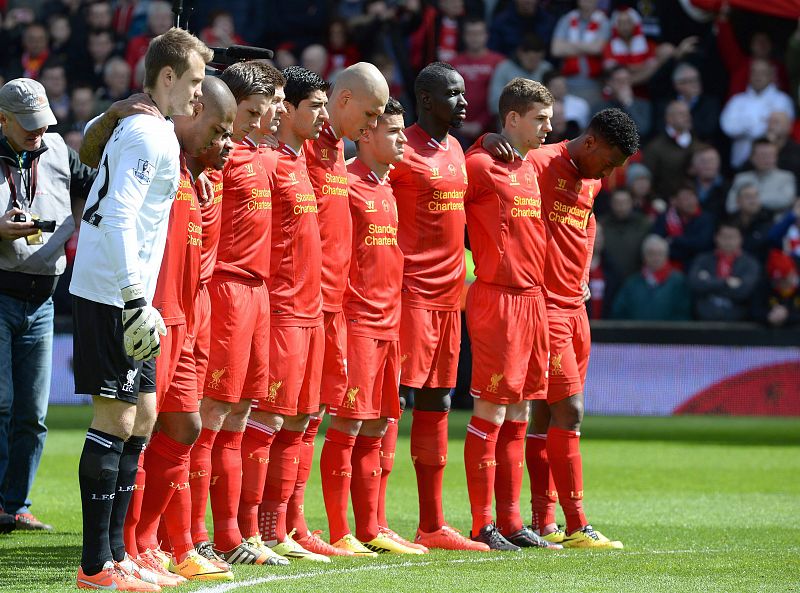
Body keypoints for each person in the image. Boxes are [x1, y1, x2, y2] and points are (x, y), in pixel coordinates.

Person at [69, 27, 210, 591]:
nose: (198, 95)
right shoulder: (151, 135)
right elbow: (121, 215)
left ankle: (120, 555)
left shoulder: (144, 127)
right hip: (111, 290)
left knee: (144, 415)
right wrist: (133, 299)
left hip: (128, 292)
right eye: (194, 82)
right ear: (167, 77)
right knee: (116, 418)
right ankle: (95, 567)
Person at [483, 107, 639, 548]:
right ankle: (577, 524)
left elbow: (587, 224)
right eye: (607, 163)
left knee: (548, 413)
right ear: (590, 143)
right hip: (544, 309)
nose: (607, 174)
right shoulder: (538, 162)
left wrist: (584, 272)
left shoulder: (591, 180)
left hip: (575, 310)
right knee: (571, 409)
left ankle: (544, 521)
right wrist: (484, 142)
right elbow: (486, 171)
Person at [188, 61, 287, 568]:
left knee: (243, 414)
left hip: (259, 293)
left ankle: (234, 534)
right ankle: (196, 534)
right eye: (255, 108)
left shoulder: (265, 155)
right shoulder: (219, 154)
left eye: (267, 107)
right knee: (211, 415)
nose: (264, 116)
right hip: (225, 289)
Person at [388, 62, 487, 552]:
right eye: (453, 94)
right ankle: (371, 525)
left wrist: (490, 144)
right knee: (392, 403)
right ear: (426, 99)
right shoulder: (398, 150)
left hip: (451, 298)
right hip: (408, 294)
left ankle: (432, 524)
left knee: (439, 402)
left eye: (464, 93)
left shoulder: (456, 150)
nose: (463, 101)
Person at [462, 78, 561, 551]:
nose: (549, 127)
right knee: (492, 409)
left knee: (521, 410)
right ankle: (482, 525)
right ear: (513, 119)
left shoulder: (528, 166)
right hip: (497, 299)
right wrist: (480, 140)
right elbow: (451, 176)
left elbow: (568, 152)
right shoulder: (482, 164)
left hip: (533, 301)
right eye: (540, 119)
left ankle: (512, 520)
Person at [321, 97, 423, 556]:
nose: (404, 139)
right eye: (395, 131)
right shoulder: (345, 183)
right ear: (366, 135)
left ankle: (373, 526)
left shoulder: (385, 186)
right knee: (348, 423)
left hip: (389, 324)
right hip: (358, 322)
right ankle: (341, 530)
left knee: (382, 423)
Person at [298, 62, 392, 557]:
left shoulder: (333, 148)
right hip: (303, 302)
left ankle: (294, 526)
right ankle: (267, 528)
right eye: (371, 112)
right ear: (345, 100)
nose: (374, 125)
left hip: (331, 304)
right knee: (280, 416)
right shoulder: (308, 143)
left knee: (311, 416)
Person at [0, 78, 95, 534]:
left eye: (43, 123)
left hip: (42, 299)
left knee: (33, 414)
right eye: (27, 126)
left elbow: (94, 186)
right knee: (0, 405)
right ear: (2, 120)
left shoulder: (58, 149)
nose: (38, 133)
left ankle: (15, 505)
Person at [245, 66, 329, 564]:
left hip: (311, 310)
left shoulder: (301, 160)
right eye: (313, 106)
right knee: (267, 417)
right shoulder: (270, 162)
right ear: (289, 110)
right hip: (278, 310)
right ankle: (248, 529)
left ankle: (278, 528)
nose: (321, 115)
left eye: (323, 105)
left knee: (301, 417)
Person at [720, 59, 794, 169]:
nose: (758, 76)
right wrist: (761, 124)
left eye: (763, 72)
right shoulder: (737, 100)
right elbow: (728, 127)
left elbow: (782, 129)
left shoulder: (782, 100)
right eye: (754, 72)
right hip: (740, 162)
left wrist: (743, 124)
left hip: (772, 164)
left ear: (771, 75)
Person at [687, 222, 761, 322]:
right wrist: (726, 282)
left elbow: (744, 291)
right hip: (703, 319)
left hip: (738, 322)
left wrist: (709, 281)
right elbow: (695, 284)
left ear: (741, 239)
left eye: (732, 237)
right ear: (716, 237)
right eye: (724, 236)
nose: (728, 241)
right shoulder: (703, 259)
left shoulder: (750, 263)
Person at [611, 234, 691, 320]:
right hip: (636, 332)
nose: (656, 258)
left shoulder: (678, 282)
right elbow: (619, 313)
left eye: (660, 253)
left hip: (669, 332)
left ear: (666, 256)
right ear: (644, 256)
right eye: (651, 253)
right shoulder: (632, 283)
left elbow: (684, 313)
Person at [725, 138, 796, 215]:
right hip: (744, 224)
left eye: (770, 155)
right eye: (762, 155)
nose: (766, 159)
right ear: (752, 158)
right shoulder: (741, 178)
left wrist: (750, 200)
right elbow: (730, 206)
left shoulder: (786, 177)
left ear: (776, 157)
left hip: (774, 224)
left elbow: (787, 200)